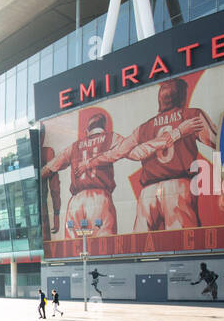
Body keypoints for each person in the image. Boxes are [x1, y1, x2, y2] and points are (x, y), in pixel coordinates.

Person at [88, 77, 217, 231]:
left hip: (148, 193)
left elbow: (119, 152)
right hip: (178, 186)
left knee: (141, 247)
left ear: (160, 101)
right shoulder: (191, 115)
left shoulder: (144, 127)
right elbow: (219, 141)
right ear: (182, 97)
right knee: (182, 245)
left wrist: (91, 162)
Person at [40, 110, 123, 236]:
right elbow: (130, 147)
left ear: (87, 130)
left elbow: (50, 168)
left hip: (76, 201)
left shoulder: (74, 146)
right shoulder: (111, 137)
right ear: (103, 127)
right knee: (103, 245)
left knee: (73, 247)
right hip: (100, 198)